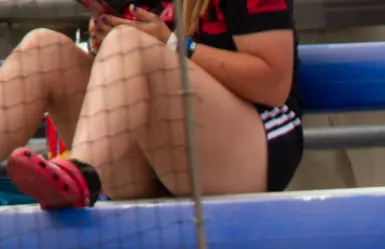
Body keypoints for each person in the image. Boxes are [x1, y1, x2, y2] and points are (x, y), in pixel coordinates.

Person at [1, 0, 301, 206]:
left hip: (252, 147)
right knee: (43, 48)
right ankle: (78, 176)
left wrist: (173, 45)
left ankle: (79, 174)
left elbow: (273, 84)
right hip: (148, 158)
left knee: (127, 43)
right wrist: (102, 38)